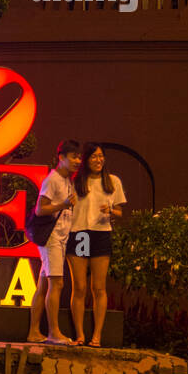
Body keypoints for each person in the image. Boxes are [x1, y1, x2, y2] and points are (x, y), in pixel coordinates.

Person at [66, 143, 126, 347]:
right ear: (85, 160)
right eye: (93, 156)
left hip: (101, 234)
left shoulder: (113, 181)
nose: (98, 160)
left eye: (101, 156)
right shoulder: (75, 181)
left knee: (99, 288)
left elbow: (119, 212)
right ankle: (80, 335)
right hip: (80, 234)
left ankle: (97, 336)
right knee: (79, 287)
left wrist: (110, 210)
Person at [26, 139, 82, 345]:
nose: (78, 161)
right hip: (52, 239)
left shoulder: (67, 180)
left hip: (60, 238)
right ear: (62, 157)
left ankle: (34, 332)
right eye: (74, 157)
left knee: (43, 286)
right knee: (57, 283)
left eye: (79, 157)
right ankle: (54, 332)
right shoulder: (53, 180)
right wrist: (63, 204)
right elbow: (40, 209)